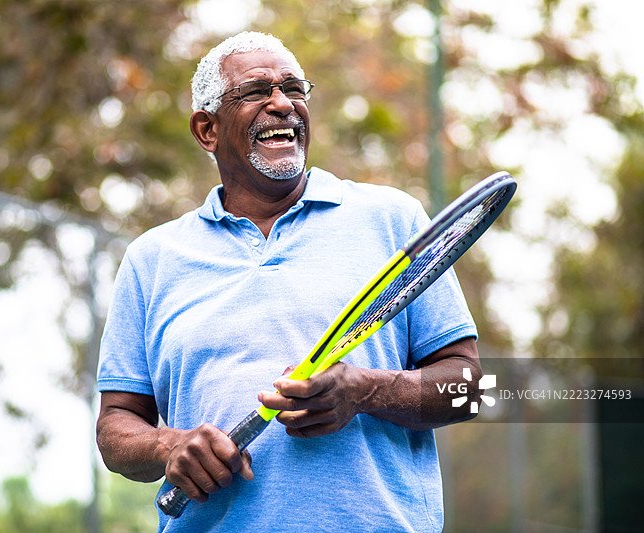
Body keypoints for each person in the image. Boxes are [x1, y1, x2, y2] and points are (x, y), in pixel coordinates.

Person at [96, 31, 482, 532]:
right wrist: (167, 446)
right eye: (256, 91)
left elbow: (470, 389)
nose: (282, 104)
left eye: (294, 88)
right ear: (207, 130)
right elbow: (115, 426)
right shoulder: (152, 259)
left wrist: (364, 390)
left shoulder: (393, 220)